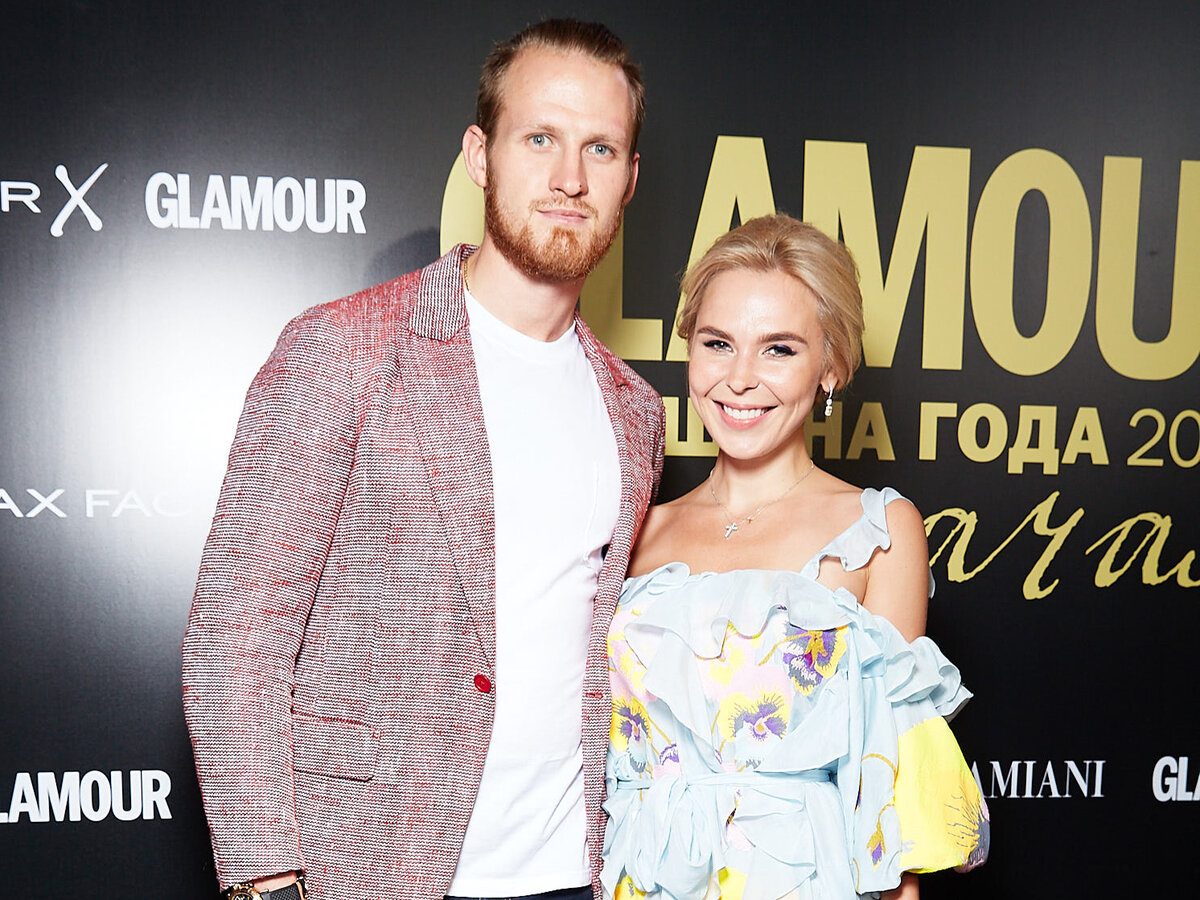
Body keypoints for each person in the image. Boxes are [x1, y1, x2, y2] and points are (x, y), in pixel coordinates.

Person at [181, 19, 664, 900]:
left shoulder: (635, 411)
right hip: (371, 866)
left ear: (629, 178)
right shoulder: (344, 349)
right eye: (541, 138)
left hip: (573, 873)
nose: (569, 178)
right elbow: (235, 635)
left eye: (600, 148)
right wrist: (266, 878)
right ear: (480, 156)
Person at [600, 215, 988, 900]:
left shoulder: (878, 532)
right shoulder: (636, 529)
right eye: (718, 343)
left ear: (830, 366)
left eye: (777, 349)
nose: (739, 379)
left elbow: (887, 788)